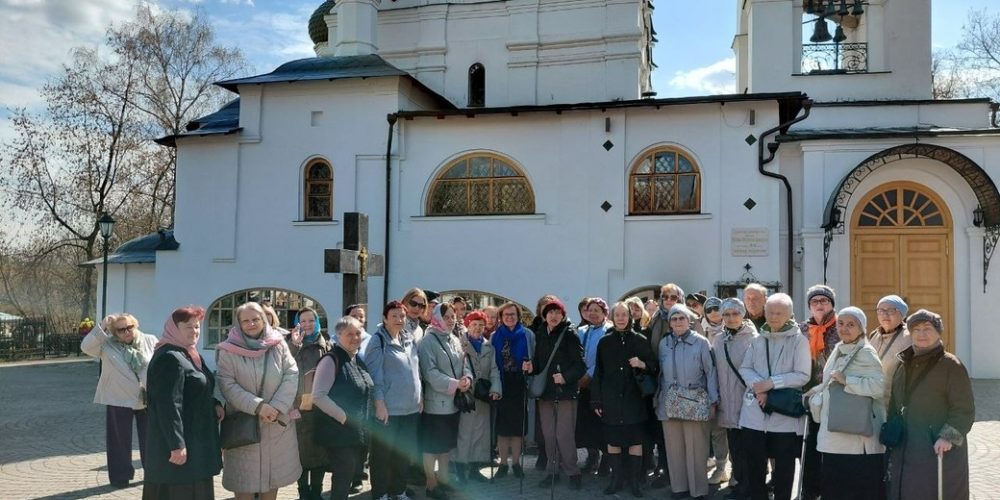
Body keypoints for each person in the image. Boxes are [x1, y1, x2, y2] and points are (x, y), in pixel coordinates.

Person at [886, 309, 975, 500]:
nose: (921, 334)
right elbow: (894, 402)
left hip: (937, 447)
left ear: (938, 332)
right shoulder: (903, 363)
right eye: (916, 329)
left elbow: (964, 409)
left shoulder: (951, 365)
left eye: (927, 328)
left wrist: (948, 437)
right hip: (906, 446)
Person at [216, 302, 301, 500]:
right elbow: (227, 384)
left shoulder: (278, 344)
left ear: (264, 320)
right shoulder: (228, 349)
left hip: (276, 425)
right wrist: (258, 406)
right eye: (245, 320)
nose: (251, 323)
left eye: (256, 319)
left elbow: (291, 374)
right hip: (243, 428)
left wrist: (277, 407)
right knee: (244, 486)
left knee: (272, 484)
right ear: (238, 324)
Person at [804, 307, 885, 500]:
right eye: (841, 323)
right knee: (834, 489)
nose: (844, 328)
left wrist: (848, 381)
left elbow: (878, 388)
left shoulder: (865, 352)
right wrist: (815, 391)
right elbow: (831, 382)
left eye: (851, 325)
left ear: (861, 328)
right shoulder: (840, 348)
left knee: (854, 491)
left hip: (854, 441)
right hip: (834, 435)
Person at [143, 306, 223, 500]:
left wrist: (213, 403)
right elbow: (167, 404)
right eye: (188, 327)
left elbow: (191, 389)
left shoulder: (188, 354)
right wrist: (176, 444)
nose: (194, 331)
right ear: (173, 328)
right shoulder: (170, 358)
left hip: (195, 442)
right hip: (180, 447)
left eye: (197, 327)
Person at [738, 293, 810, 500]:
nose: (774, 316)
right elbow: (745, 368)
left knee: (784, 469)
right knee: (755, 467)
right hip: (754, 415)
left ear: (789, 314)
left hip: (783, 416)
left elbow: (803, 375)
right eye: (770, 312)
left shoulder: (799, 341)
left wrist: (770, 384)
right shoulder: (758, 339)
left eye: (779, 313)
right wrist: (758, 388)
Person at [81, 313, 158, 489]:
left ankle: (153, 472)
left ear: (136, 325)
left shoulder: (150, 340)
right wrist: (102, 326)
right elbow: (85, 347)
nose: (126, 332)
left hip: (147, 397)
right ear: (114, 332)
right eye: (121, 330)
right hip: (119, 397)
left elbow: (159, 364)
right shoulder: (106, 345)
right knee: (118, 439)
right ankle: (120, 476)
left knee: (151, 437)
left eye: (129, 327)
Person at [591, 302, 657, 497]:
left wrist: (641, 363)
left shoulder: (640, 339)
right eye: (617, 314)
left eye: (624, 314)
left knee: (636, 441)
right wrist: (596, 400)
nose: (621, 318)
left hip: (634, 398)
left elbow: (654, 366)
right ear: (612, 316)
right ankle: (616, 479)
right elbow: (598, 373)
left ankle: (635, 481)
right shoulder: (605, 341)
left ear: (630, 316)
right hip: (610, 398)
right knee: (614, 441)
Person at [657, 304, 718, 500]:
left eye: (681, 318)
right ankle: (679, 488)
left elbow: (711, 373)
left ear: (689, 320)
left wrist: (713, 401)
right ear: (670, 323)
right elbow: (660, 373)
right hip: (670, 400)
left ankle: (698, 491)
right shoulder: (663, 343)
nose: (677, 322)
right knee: (674, 448)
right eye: (674, 319)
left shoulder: (701, 342)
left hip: (695, 400)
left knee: (696, 447)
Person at [524, 298, 586, 490]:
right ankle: (553, 471)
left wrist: (565, 377)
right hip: (545, 394)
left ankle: (572, 472)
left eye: (557, 312)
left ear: (563, 315)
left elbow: (580, 365)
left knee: (564, 435)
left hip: (565, 393)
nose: (553, 316)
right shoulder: (541, 334)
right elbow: (539, 363)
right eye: (550, 312)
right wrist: (531, 367)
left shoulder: (570, 335)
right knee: (549, 435)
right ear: (544, 315)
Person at [310, 316, 375, 500]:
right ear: (338, 336)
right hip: (339, 432)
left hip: (356, 432)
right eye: (349, 334)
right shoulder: (331, 360)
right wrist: (343, 417)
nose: (355, 337)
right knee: (343, 477)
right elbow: (318, 396)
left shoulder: (356, 359)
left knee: (347, 476)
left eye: (358, 333)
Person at [365, 300, 423, 500]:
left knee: (402, 455)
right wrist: (379, 404)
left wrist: (420, 395)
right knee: (382, 455)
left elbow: (416, 370)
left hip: (410, 409)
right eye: (394, 316)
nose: (399, 320)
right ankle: (380, 494)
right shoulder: (377, 341)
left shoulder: (408, 338)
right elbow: (374, 376)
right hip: (388, 410)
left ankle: (398, 491)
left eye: (402, 316)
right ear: (385, 319)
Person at [417, 303, 473, 499]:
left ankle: (443, 480)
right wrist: (455, 384)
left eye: (452, 316)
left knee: (447, 445)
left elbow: (465, 363)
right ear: (437, 318)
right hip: (435, 405)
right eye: (447, 316)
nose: (451, 320)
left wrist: (467, 379)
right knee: (432, 446)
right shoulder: (427, 342)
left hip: (452, 404)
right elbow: (429, 373)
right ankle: (431, 484)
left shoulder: (455, 339)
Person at [711, 298, 758, 498]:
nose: (731, 318)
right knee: (736, 448)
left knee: (750, 449)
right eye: (727, 314)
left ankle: (752, 487)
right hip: (727, 403)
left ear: (743, 314)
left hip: (748, 403)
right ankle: (739, 483)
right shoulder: (718, 339)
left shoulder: (754, 338)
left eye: (735, 313)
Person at [797, 284, 839, 499]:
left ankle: (830, 490)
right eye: (815, 301)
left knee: (830, 445)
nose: (820, 304)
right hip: (809, 394)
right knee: (811, 445)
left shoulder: (842, 325)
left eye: (824, 301)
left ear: (832, 304)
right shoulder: (803, 328)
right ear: (809, 306)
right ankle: (810, 490)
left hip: (833, 394)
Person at [287, 307, 331, 500]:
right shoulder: (291, 344)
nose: (307, 325)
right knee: (301, 454)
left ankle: (317, 491)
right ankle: (303, 491)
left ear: (317, 322)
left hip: (320, 406)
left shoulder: (326, 344)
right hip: (298, 408)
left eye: (311, 320)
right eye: (302, 321)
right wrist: (294, 345)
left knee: (320, 450)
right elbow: (284, 370)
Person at [454, 311, 503, 483]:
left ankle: (474, 468)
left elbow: (495, 370)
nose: (478, 328)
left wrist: (496, 389)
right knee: (464, 433)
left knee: (480, 434)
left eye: (481, 325)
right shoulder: (459, 344)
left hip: (483, 396)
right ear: (468, 325)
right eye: (474, 324)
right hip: (466, 395)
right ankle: (460, 468)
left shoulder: (489, 346)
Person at [644, 283, 684, 488]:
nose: (668, 300)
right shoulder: (656, 319)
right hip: (658, 380)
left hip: (680, 383)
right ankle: (664, 468)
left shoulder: (687, 319)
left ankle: (676, 473)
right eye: (665, 296)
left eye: (673, 297)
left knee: (676, 431)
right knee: (660, 429)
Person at [491, 301, 532, 479]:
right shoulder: (495, 336)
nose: (509, 317)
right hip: (501, 382)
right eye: (506, 315)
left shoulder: (527, 334)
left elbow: (534, 356)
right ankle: (502, 463)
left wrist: (530, 366)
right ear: (501, 317)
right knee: (502, 427)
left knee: (517, 427)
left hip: (519, 382)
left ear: (518, 316)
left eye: (513, 314)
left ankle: (515, 463)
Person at [577, 297, 610, 474]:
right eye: (590, 310)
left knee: (602, 424)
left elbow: (604, 359)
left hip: (600, 384)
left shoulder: (609, 330)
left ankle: (606, 460)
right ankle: (592, 457)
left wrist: (589, 375)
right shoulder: (582, 331)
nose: (593, 313)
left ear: (604, 312)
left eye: (597, 310)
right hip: (583, 385)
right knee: (587, 424)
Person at [867, 295, 912, 403]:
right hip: (870, 400)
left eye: (891, 310)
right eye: (881, 311)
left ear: (902, 314)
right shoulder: (874, 335)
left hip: (894, 404)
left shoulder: (910, 337)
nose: (885, 314)